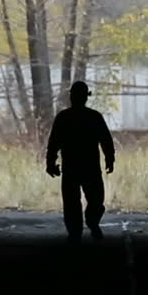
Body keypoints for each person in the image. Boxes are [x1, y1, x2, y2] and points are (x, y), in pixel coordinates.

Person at [45, 81, 115, 242]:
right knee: (96, 199)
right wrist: (110, 159)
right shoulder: (94, 117)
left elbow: (53, 143)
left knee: (71, 202)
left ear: (71, 97)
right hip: (90, 167)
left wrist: (50, 163)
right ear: (86, 97)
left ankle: (75, 232)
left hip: (71, 168)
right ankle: (91, 222)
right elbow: (106, 141)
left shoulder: (63, 118)